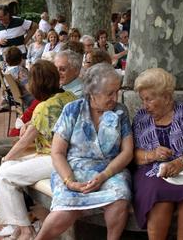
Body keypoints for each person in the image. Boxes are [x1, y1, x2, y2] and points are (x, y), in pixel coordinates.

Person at [36, 63, 133, 240]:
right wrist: (70, 181)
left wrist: (104, 175)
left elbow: (127, 152)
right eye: (109, 93)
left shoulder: (120, 111)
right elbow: (57, 152)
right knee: (66, 209)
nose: (115, 97)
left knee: (120, 199)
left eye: (116, 92)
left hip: (110, 170)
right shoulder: (72, 110)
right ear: (92, 93)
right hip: (73, 170)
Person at [0, 60, 77, 240]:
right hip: (68, 155)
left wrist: (6, 158)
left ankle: (25, 230)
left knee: (4, 175)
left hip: (56, 159)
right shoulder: (69, 96)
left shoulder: (43, 107)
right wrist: (31, 123)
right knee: (4, 173)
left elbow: (24, 142)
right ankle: (20, 227)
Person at [132, 68, 183, 239]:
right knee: (159, 198)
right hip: (151, 171)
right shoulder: (141, 117)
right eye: (142, 100)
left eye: (149, 99)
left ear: (167, 97)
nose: (144, 105)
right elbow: (134, 155)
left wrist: (178, 163)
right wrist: (152, 155)